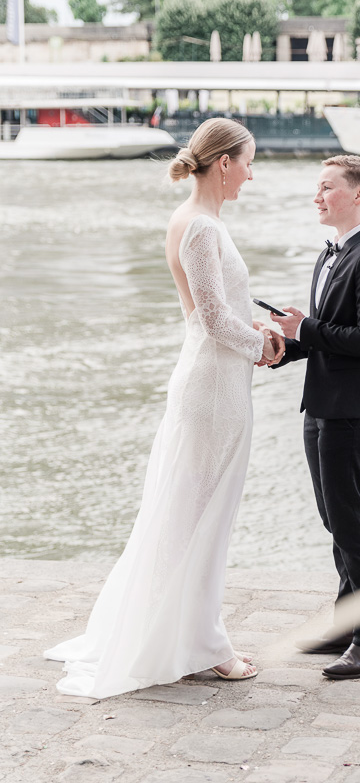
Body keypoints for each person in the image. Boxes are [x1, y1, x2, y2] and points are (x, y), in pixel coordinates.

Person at [44, 118, 284, 698]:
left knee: (191, 514)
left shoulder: (195, 221)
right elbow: (209, 318)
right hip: (214, 387)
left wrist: (253, 324)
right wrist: (265, 346)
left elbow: (220, 306)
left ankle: (184, 633)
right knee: (199, 517)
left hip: (215, 377)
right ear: (223, 163)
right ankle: (201, 645)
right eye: (248, 162)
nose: (252, 174)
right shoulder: (200, 227)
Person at [271, 155, 360, 680]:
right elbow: (325, 335)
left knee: (353, 523)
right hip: (323, 405)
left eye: (327, 187)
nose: (317, 196)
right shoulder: (331, 254)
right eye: (317, 187)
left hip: (357, 410)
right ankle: (350, 623)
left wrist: (307, 330)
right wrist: (283, 345)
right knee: (336, 520)